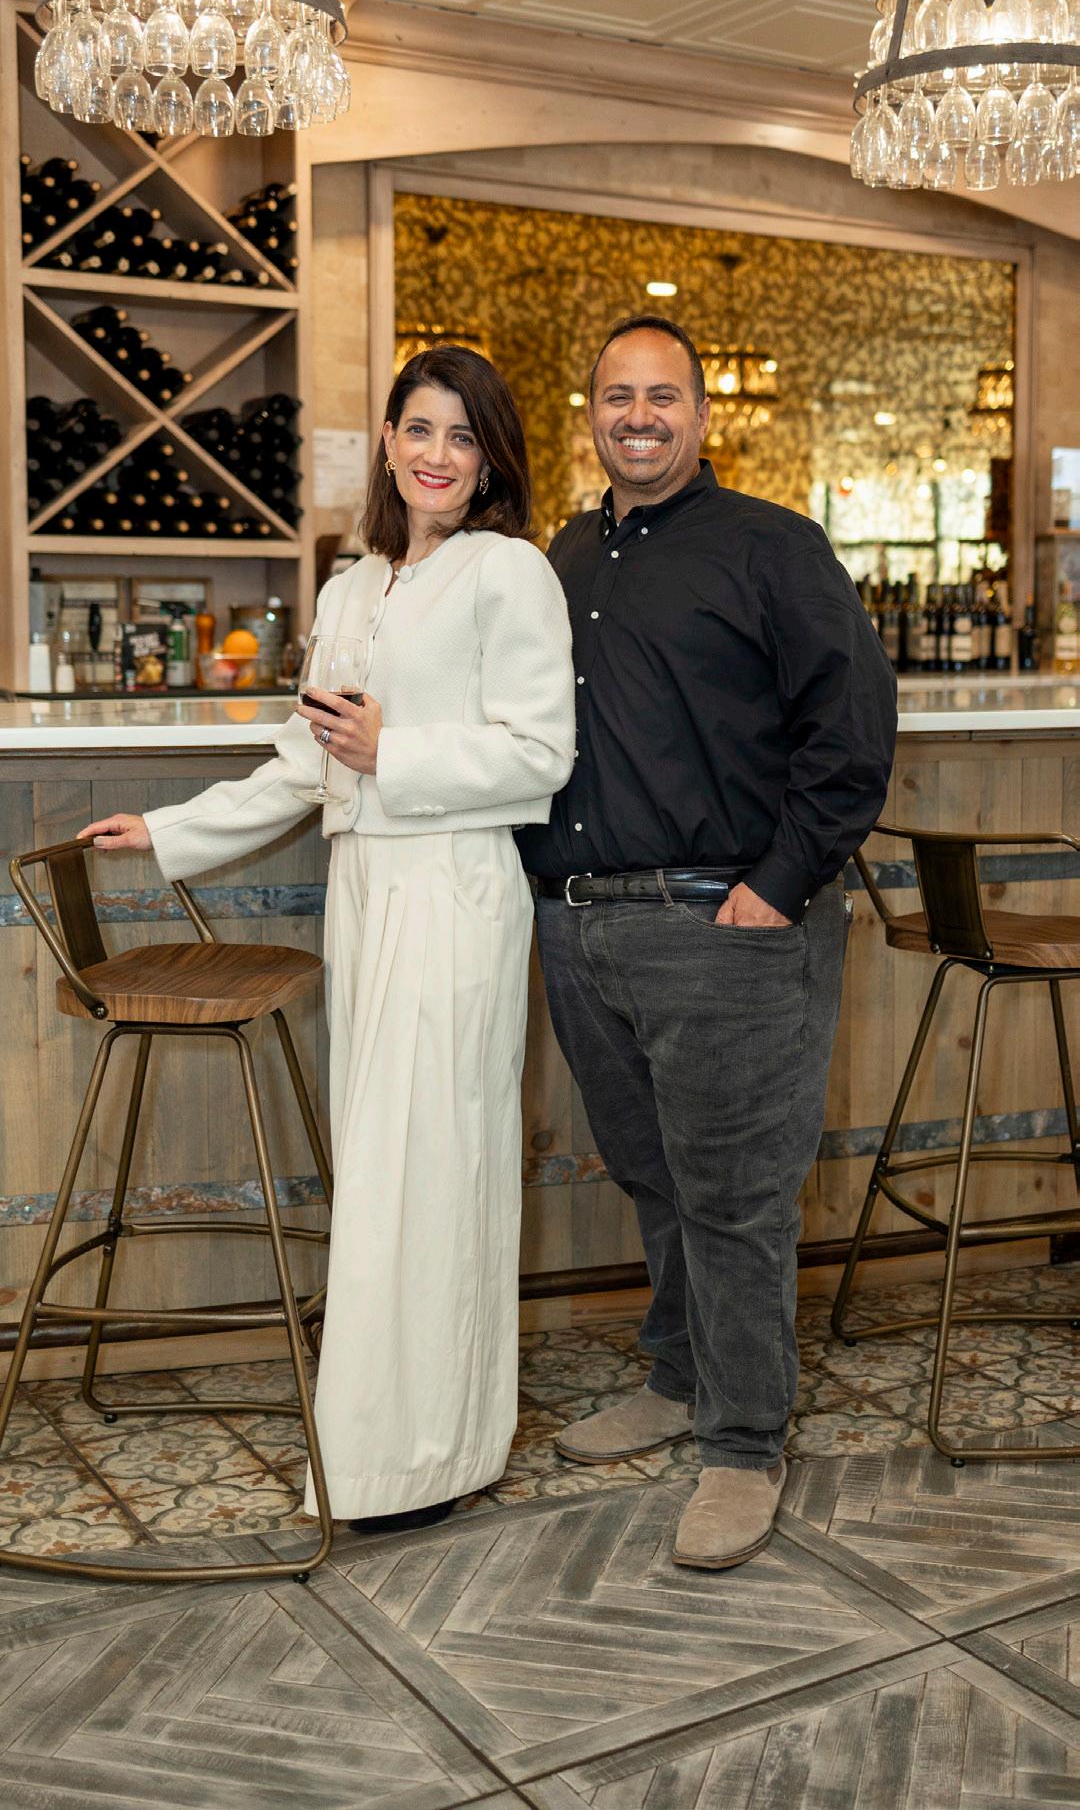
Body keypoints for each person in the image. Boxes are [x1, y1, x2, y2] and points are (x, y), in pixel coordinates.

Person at [82, 346, 575, 1532]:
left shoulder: (510, 573)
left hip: (453, 890)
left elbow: (541, 756)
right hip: (364, 889)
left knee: (434, 1171)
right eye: (419, 428)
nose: (437, 454)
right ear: (389, 441)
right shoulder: (353, 591)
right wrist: (166, 829)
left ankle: (431, 1456)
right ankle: (376, 1448)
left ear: (491, 458)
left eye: (463, 435)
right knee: (382, 1171)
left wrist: (392, 752)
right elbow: (305, 763)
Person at [517, 314, 897, 1571]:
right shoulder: (566, 554)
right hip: (586, 926)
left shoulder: (772, 547)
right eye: (616, 396)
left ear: (700, 413)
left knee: (734, 1201)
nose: (639, 416)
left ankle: (743, 1444)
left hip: (722, 922)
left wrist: (777, 888)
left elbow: (853, 729)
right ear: (589, 414)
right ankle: (679, 1379)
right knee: (653, 1174)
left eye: (662, 395)